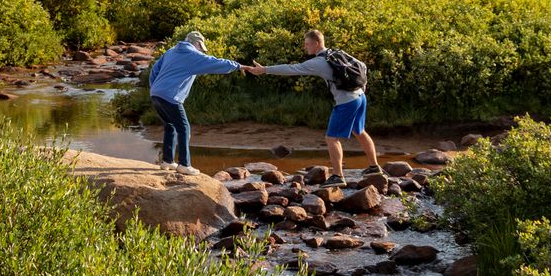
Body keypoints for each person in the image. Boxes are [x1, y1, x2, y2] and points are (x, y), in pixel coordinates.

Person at [242, 29, 380, 189]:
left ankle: (338, 176)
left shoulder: (318, 63)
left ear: (316, 43)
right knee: (359, 131)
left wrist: (265, 69)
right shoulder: (337, 53)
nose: (305, 47)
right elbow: (362, 66)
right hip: (360, 97)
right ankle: (374, 167)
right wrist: (362, 88)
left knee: (331, 138)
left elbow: (292, 69)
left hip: (347, 102)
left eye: (307, 44)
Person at [149, 30, 242, 176]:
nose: (202, 51)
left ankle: (167, 161)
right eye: (201, 48)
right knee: (184, 128)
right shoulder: (192, 54)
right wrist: (237, 66)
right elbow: (215, 63)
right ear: (197, 43)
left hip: (156, 94)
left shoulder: (171, 51)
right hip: (170, 96)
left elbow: (154, 70)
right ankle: (184, 165)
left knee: (170, 125)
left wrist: (155, 87)